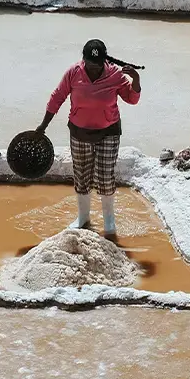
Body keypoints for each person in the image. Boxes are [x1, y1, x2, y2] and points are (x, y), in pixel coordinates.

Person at [37, 39, 141, 239]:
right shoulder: (74, 72)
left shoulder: (115, 75)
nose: (93, 67)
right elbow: (57, 97)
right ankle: (83, 218)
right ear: (83, 60)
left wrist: (135, 79)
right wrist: (43, 126)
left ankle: (109, 221)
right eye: (89, 63)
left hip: (108, 131)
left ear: (105, 61)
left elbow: (132, 99)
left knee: (105, 176)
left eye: (97, 64)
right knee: (82, 175)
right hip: (79, 131)